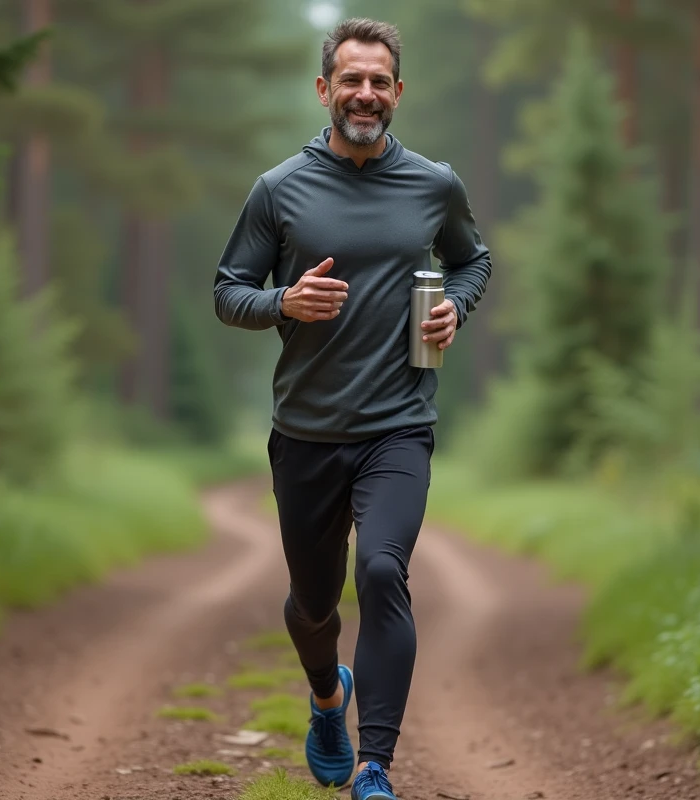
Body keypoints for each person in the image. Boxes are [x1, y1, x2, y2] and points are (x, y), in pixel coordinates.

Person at [212, 16, 491, 800]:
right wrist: (284, 303)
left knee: (381, 570)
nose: (364, 93)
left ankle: (375, 765)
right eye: (351, 78)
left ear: (397, 92)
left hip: (399, 424)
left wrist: (456, 310)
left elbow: (473, 260)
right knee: (310, 606)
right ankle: (327, 698)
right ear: (324, 88)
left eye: (379, 81)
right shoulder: (279, 190)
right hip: (306, 431)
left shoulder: (434, 183)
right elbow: (228, 292)